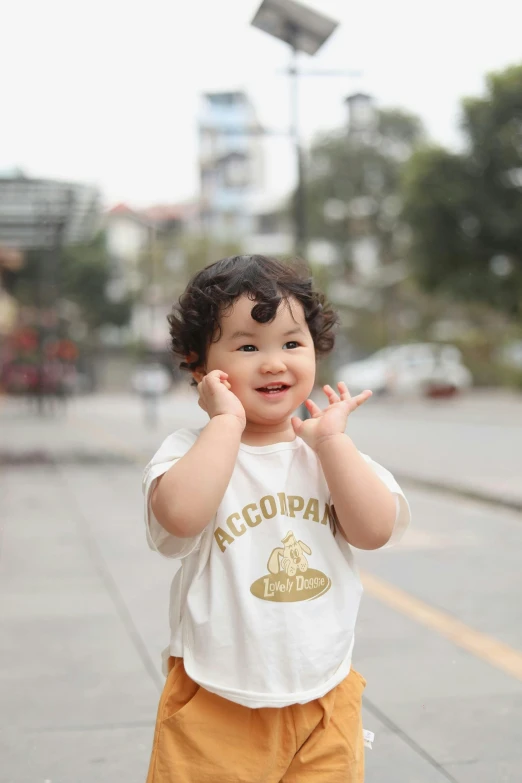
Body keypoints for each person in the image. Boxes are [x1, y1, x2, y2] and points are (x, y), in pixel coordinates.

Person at [142, 254, 411, 783]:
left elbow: (374, 531)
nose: (273, 362)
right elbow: (179, 516)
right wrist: (226, 421)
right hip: (216, 698)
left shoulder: (326, 451)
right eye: (247, 346)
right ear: (200, 366)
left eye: (292, 343)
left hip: (324, 698)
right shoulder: (188, 451)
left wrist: (333, 443)